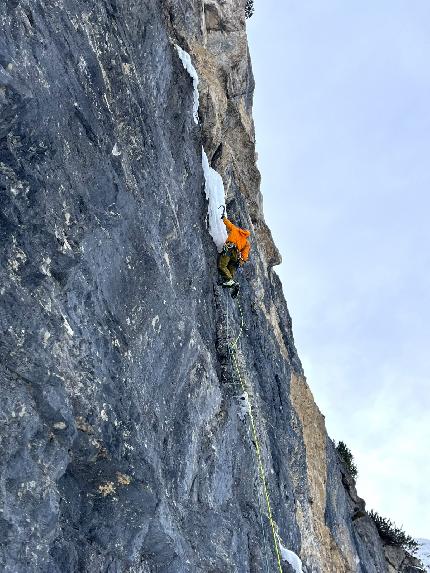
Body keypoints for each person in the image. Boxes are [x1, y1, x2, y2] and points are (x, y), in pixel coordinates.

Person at [218, 212, 251, 292]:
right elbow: (245, 254)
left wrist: (223, 218)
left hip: (230, 248)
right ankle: (231, 282)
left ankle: (230, 281)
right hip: (236, 255)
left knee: (222, 265)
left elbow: (228, 223)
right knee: (231, 267)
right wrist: (241, 261)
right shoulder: (246, 242)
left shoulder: (235, 229)